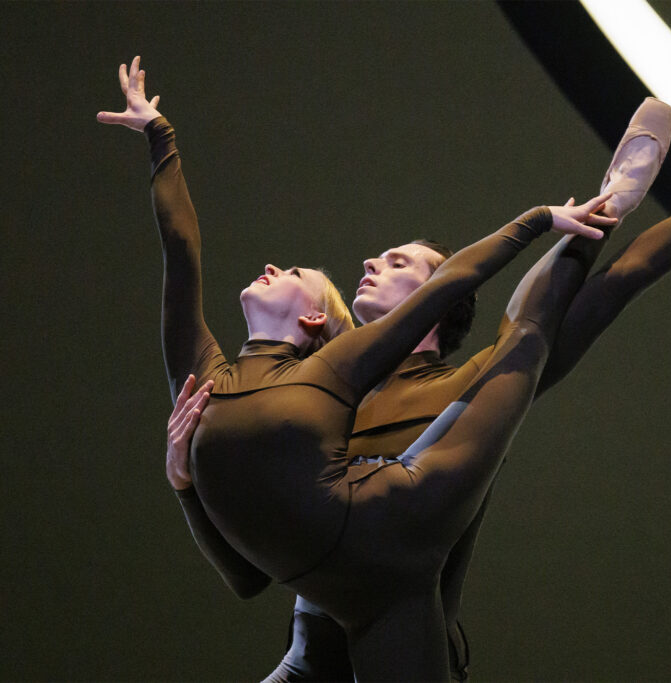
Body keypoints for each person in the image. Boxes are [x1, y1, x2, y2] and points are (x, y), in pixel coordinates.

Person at [163, 90, 671, 680]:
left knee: (529, 332)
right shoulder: (323, 390)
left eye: (399, 261)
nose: (370, 260)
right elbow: (248, 573)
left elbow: (617, 283)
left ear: (438, 293)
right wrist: (190, 486)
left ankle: (611, 202)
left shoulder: (482, 379)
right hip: (315, 654)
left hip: (407, 639)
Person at [97, 55, 618, 681]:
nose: (272, 266)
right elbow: (246, 577)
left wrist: (547, 222)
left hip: (392, 598)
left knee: (525, 345)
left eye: (293, 273)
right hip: (318, 635)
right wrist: (184, 485)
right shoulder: (233, 383)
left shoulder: (351, 372)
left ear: (316, 320)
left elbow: (478, 298)